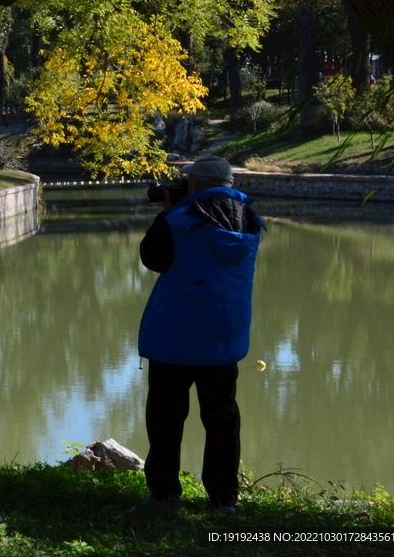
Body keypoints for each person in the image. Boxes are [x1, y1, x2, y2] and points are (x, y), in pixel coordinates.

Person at [128, 155, 264, 517]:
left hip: (176, 336)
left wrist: (168, 210)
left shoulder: (180, 219)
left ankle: (165, 496)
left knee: (166, 418)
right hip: (224, 336)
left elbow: (152, 258)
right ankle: (223, 501)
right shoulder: (250, 218)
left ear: (194, 183)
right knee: (222, 420)